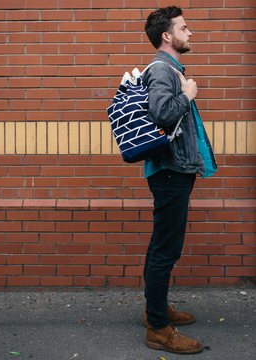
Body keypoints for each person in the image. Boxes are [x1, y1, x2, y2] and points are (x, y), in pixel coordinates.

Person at [142, 6, 217, 355]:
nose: (191, 33)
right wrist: (187, 94)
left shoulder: (168, 68)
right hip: (170, 171)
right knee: (166, 250)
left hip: (173, 170)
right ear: (167, 36)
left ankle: (155, 310)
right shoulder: (162, 70)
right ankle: (158, 327)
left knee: (163, 247)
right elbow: (161, 112)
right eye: (184, 28)